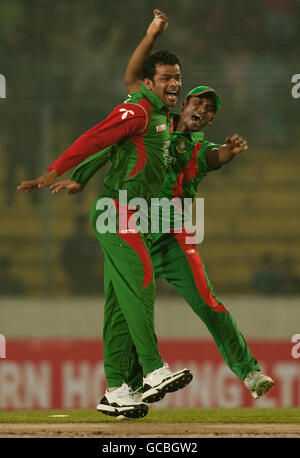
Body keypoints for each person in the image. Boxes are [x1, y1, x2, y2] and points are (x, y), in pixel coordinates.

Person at [52, 9, 275, 401]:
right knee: (123, 307)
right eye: (199, 103)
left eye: (211, 110)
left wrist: (228, 152)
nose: (203, 111)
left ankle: (250, 371)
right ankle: (125, 386)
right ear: (181, 102)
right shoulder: (151, 122)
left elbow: (215, 158)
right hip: (132, 226)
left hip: (171, 237)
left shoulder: (200, 148)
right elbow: (114, 135)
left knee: (206, 302)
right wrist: (80, 174)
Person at [17, 11, 193, 420]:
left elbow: (130, 80)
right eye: (166, 78)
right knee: (142, 282)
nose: (175, 84)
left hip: (137, 215)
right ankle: (151, 371)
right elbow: (96, 137)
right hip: (118, 213)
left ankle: (116, 390)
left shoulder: (156, 110)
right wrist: (61, 168)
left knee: (117, 303)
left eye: (177, 77)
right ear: (151, 85)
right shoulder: (138, 111)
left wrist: (150, 35)